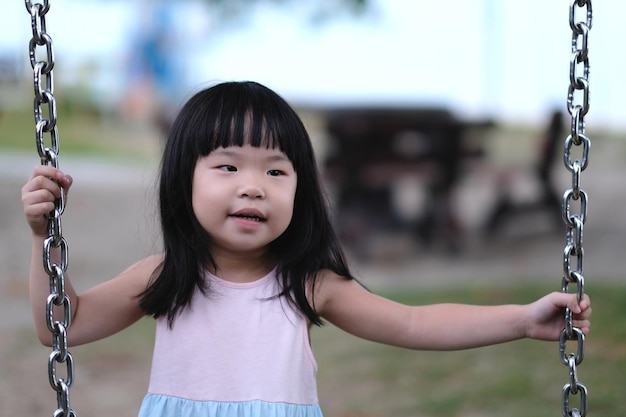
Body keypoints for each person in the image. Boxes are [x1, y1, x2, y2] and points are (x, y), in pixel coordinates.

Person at [22, 81, 592, 417]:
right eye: (227, 166)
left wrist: (521, 319)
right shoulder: (167, 275)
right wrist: (41, 239)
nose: (253, 185)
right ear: (183, 181)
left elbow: (415, 323)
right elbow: (60, 326)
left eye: (276, 170)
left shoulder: (306, 284)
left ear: (301, 189)